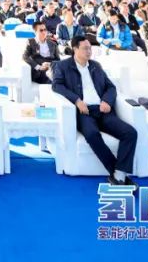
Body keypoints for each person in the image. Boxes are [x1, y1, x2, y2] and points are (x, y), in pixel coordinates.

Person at [52, 38, 139, 190]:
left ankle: (118, 175)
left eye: (90, 48)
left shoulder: (95, 66)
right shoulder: (62, 66)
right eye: (85, 48)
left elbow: (111, 87)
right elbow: (56, 85)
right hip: (84, 112)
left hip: (103, 110)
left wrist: (107, 101)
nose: (89, 51)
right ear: (75, 49)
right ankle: (118, 173)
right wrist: (77, 100)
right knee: (92, 135)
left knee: (130, 133)